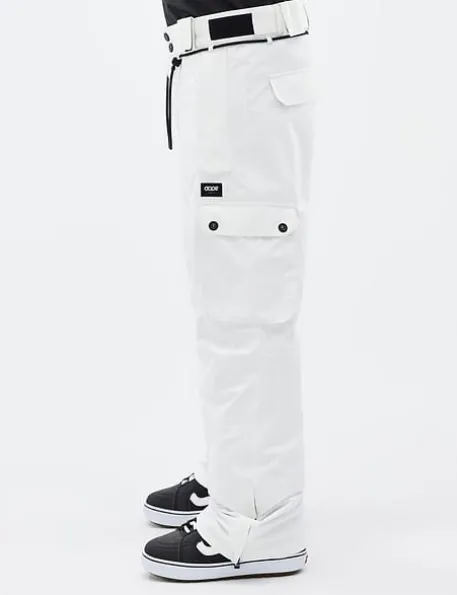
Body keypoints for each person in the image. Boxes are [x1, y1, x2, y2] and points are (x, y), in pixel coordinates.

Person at [142, 0, 315, 581]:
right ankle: (236, 476)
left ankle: (258, 519)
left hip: (242, 65)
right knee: (226, 288)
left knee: (245, 301)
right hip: (225, 65)